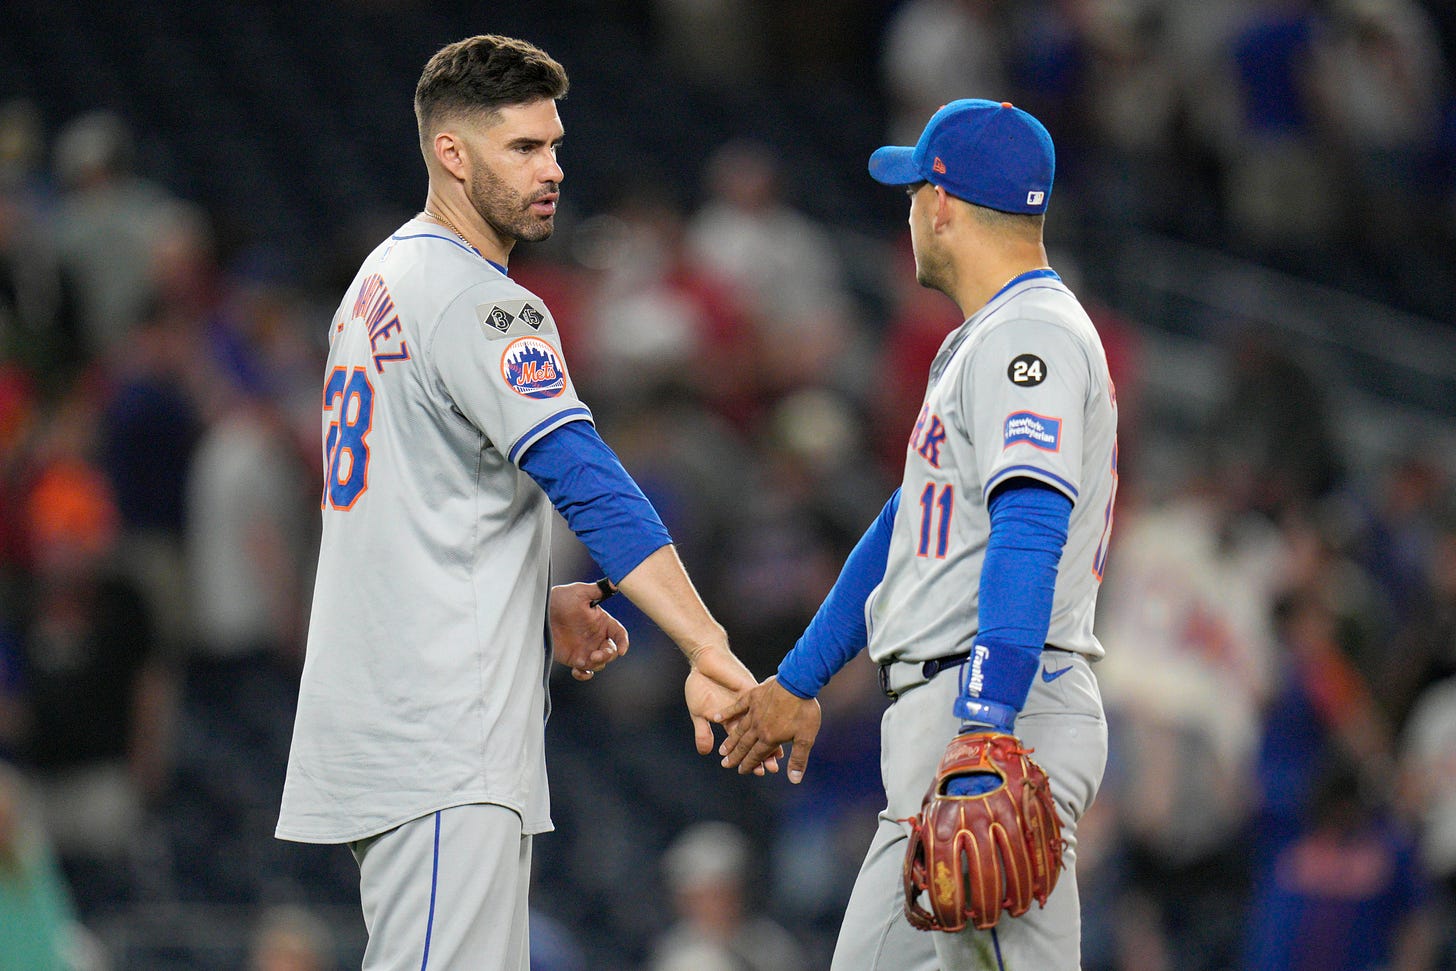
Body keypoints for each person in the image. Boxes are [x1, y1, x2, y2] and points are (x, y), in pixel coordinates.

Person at [275, 34, 766, 970]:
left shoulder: (379, 280)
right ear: (452, 153)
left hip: (407, 711)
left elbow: (416, 508)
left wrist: (529, 602)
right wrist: (707, 643)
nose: (553, 170)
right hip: (441, 732)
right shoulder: (479, 300)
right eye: (524, 147)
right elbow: (590, 482)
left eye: (554, 145)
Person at [718, 99, 1117, 970]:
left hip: (998, 713)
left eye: (911, 194)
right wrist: (800, 677)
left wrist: (986, 722)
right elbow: (906, 527)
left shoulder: (1031, 334)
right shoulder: (985, 339)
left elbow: (1031, 523)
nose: (906, 215)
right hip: (948, 722)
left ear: (942, 204)